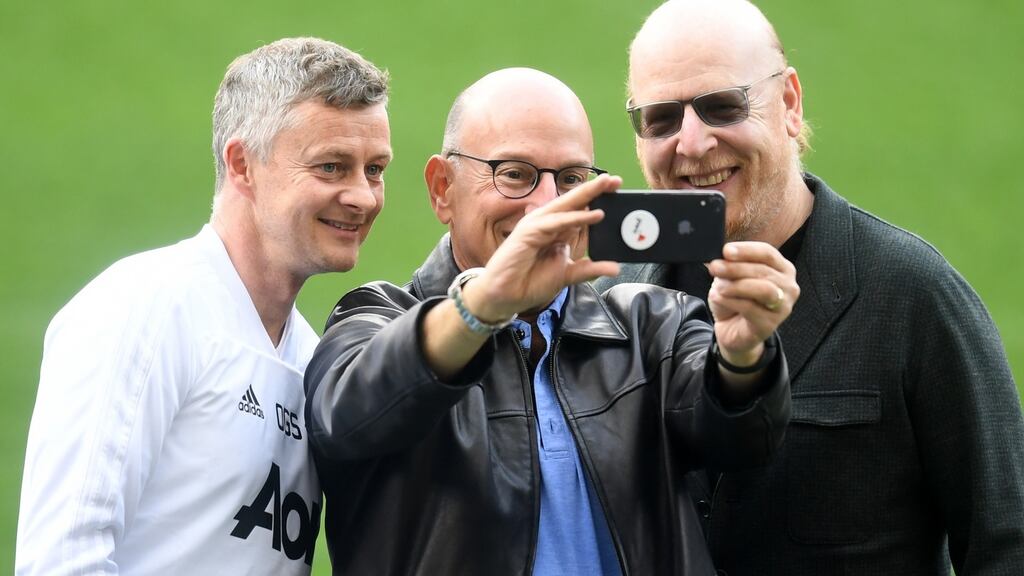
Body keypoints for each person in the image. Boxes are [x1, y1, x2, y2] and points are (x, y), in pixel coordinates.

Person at [305, 67, 796, 575]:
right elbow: (348, 415)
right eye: (514, 174)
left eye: (569, 180)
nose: (544, 206)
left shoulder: (650, 326)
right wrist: (483, 306)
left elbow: (745, 441)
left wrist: (741, 355)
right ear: (442, 189)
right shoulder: (378, 317)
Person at [597, 0, 1024, 574]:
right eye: (661, 120)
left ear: (790, 104)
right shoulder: (610, 305)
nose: (692, 144)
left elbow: (1006, 541)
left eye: (722, 107)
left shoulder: (913, 296)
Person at [16, 37, 392, 575]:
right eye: (332, 167)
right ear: (242, 165)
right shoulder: (145, 307)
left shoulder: (313, 359)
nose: (363, 196)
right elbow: (63, 558)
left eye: (374, 169)